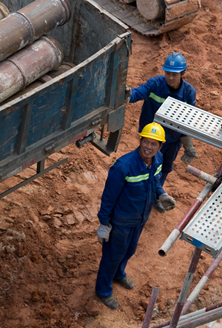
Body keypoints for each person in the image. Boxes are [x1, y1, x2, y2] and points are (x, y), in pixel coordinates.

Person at [95, 122, 176, 309]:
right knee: (112, 255)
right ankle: (103, 290)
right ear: (140, 141)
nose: (149, 147)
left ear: (160, 146)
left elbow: (155, 182)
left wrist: (161, 193)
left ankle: (118, 274)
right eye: (146, 142)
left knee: (130, 250)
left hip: (140, 218)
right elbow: (108, 198)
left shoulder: (158, 159)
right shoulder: (123, 166)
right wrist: (104, 224)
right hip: (121, 221)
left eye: (153, 144)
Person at [127, 52, 197, 210]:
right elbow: (139, 92)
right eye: (167, 73)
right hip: (151, 137)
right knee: (144, 164)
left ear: (182, 74)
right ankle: (137, 195)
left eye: (174, 74)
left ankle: (156, 196)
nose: (170, 78)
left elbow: (188, 119)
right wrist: (126, 95)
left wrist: (188, 144)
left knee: (165, 167)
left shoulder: (188, 92)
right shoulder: (155, 83)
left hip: (172, 139)